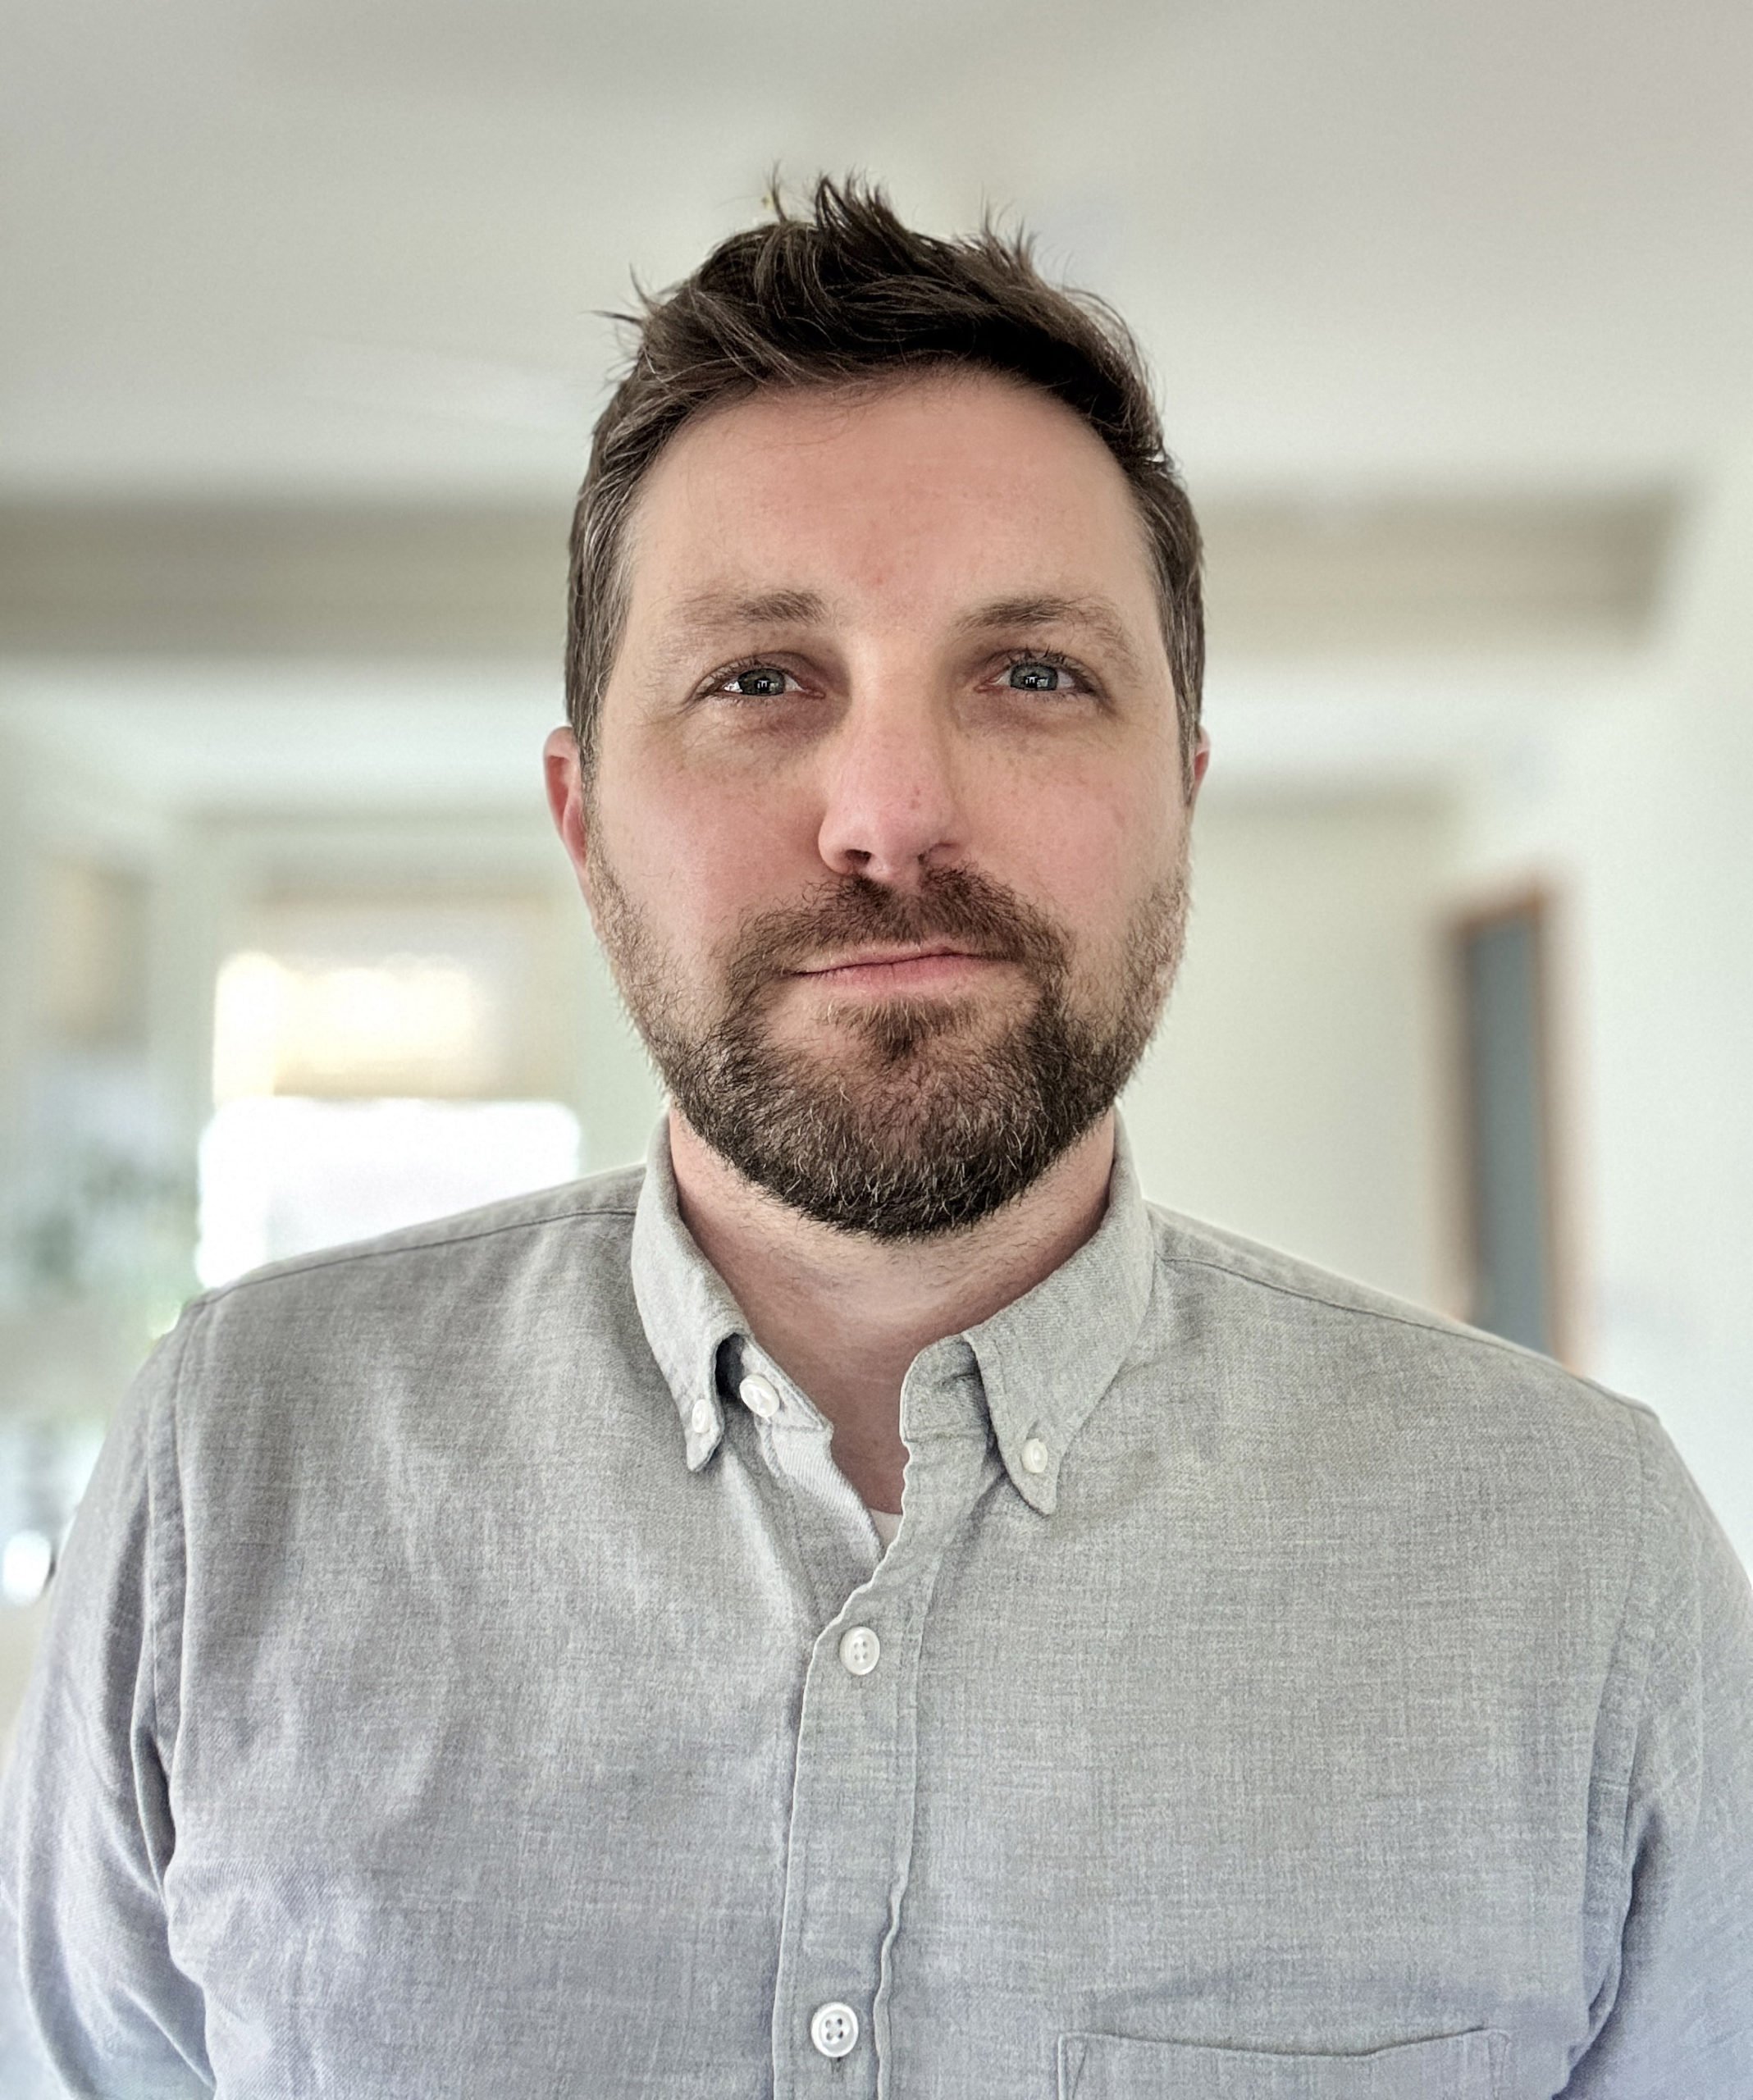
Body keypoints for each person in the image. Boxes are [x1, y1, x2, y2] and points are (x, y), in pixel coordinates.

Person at [2, 178, 1749, 2100]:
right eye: (761, 679)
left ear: (1177, 795)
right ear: (583, 822)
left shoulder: (1585, 1564)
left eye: (1031, 674)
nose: (892, 812)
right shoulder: (230, 1468)